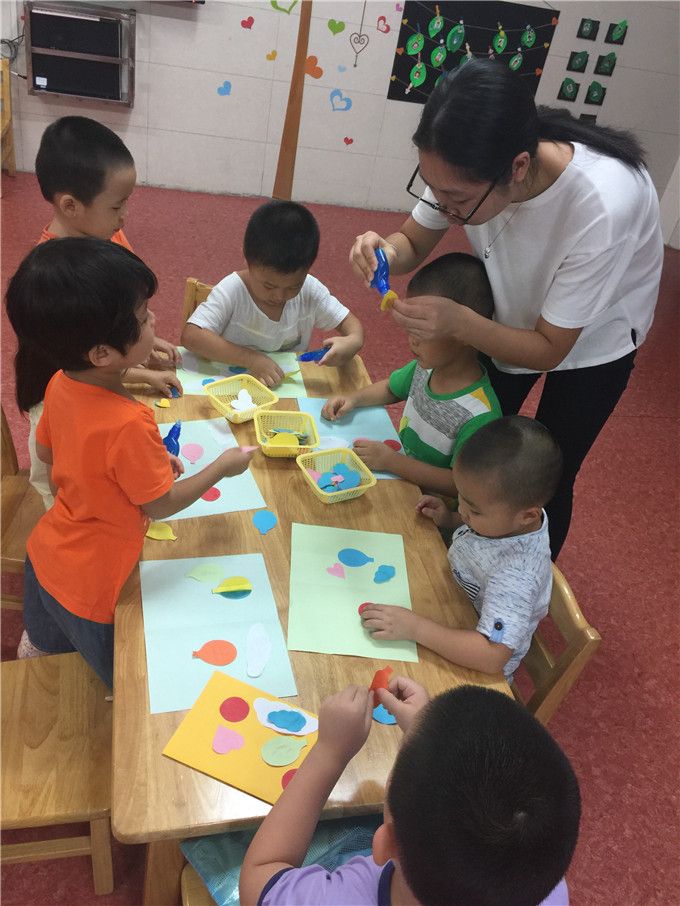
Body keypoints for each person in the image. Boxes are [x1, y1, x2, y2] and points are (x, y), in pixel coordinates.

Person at [350, 59, 663, 558]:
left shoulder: (602, 207)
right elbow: (412, 240)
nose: (444, 206)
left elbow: (549, 349)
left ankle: (525, 581)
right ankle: (458, 545)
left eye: (456, 198)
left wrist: (462, 323)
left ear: (517, 167)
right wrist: (382, 251)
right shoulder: (463, 163)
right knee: (477, 453)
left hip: (595, 340)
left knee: (544, 474)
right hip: (511, 310)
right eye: (434, 188)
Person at [5, 239, 256, 689]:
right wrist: (222, 465)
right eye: (143, 318)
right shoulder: (129, 422)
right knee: (123, 682)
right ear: (101, 354)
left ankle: (38, 662)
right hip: (91, 586)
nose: (154, 320)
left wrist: (132, 468)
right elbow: (160, 505)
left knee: (43, 648)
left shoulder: (59, 382)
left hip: (44, 554)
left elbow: (48, 455)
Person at [238, 677, 580, 905]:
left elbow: (258, 876)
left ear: (385, 844)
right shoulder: (545, 888)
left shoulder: (337, 899)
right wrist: (427, 732)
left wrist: (329, 752)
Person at [31, 116, 181, 507]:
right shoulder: (56, 279)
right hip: (63, 408)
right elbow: (79, 362)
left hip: (98, 382)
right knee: (72, 502)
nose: (124, 215)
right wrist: (142, 370)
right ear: (70, 205)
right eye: (117, 205)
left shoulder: (106, 233)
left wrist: (141, 338)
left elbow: (113, 319)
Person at [360, 417, 561, 680]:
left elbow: (492, 656)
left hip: (471, 659)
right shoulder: (511, 517)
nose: (463, 510)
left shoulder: (516, 577)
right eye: (461, 498)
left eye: (474, 510)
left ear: (528, 516)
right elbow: (483, 532)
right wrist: (451, 519)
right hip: (450, 599)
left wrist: (416, 628)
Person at [321, 253, 501, 495]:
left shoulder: (479, 415)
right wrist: (353, 399)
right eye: (409, 329)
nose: (411, 340)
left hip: (433, 508)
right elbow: (391, 388)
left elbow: (459, 484)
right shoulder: (425, 368)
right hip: (403, 485)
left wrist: (392, 462)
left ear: (464, 332)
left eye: (421, 331)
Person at [181, 200, 364, 388]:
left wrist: (353, 341)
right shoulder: (232, 290)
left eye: (293, 287)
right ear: (247, 258)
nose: (279, 296)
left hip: (287, 390)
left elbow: (351, 325)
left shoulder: (310, 290)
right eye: (268, 286)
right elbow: (191, 336)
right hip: (231, 385)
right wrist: (252, 359)